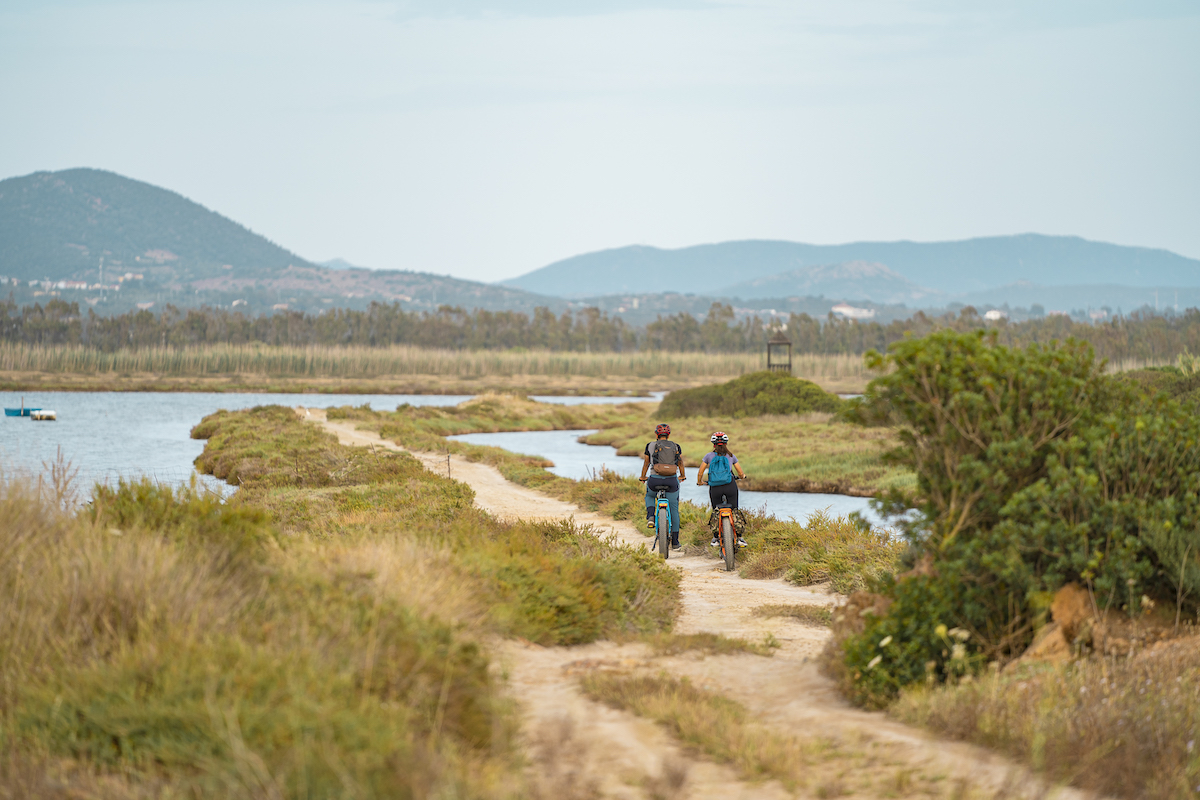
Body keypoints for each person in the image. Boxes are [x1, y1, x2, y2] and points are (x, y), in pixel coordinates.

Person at [639, 423, 686, 550]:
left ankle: (650, 516)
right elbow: (680, 463)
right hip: (672, 481)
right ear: (668, 435)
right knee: (674, 510)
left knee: (649, 495)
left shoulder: (650, 445)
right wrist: (682, 475)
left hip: (654, 480)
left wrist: (643, 477)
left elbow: (646, 463)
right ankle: (675, 542)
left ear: (656, 434)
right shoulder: (676, 446)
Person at [696, 431, 747, 548]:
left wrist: (700, 482)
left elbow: (700, 472)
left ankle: (715, 538)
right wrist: (742, 476)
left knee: (716, 511)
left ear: (713, 444)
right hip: (730, 486)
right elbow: (739, 472)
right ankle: (739, 537)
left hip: (715, 488)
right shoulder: (731, 456)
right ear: (726, 443)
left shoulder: (708, 456)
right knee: (734, 510)